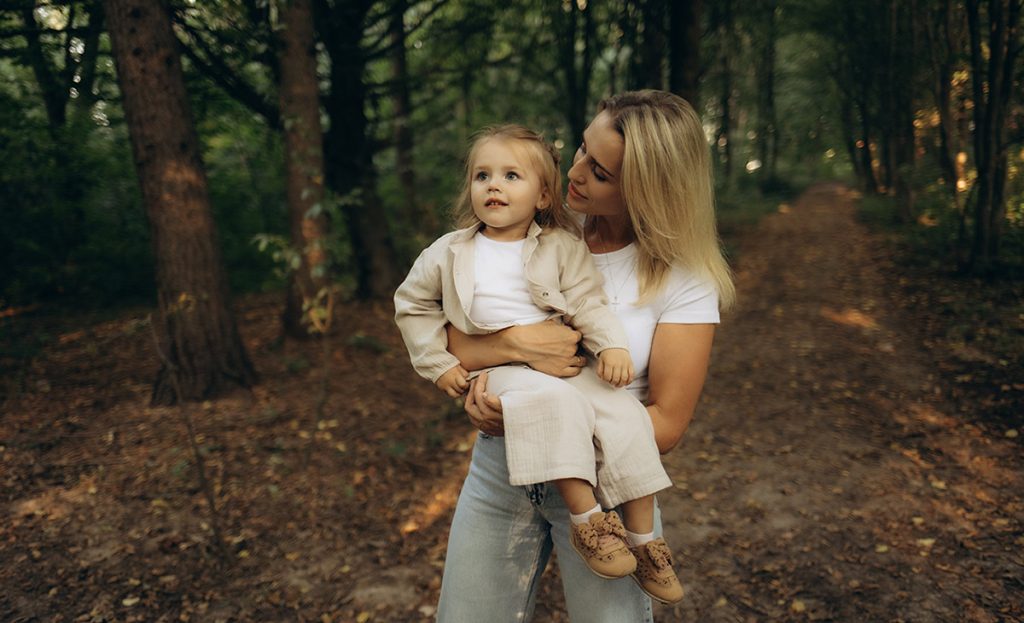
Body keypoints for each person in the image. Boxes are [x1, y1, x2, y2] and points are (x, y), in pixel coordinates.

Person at [435, 90, 736, 622]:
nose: (573, 172)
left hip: (611, 491)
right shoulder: (537, 226)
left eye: (599, 172)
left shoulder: (683, 279)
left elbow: (666, 422)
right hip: (499, 473)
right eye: (580, 148)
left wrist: (540, 424)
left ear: (647, 190)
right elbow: (455, 339)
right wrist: (508, 353)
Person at [394, 124, 680, 596]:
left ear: (543, 196)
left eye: (511, 175)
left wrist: (612, 345)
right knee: (554, 402)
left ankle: (646, 541)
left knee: (623, 411)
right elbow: (413, 304)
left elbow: (589, 303)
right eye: (482, 175)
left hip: (566, 365)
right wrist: (438, 364)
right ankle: (589, 521)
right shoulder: (449, 251)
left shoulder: (561, 247)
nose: (494, 185)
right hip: (503, 373)